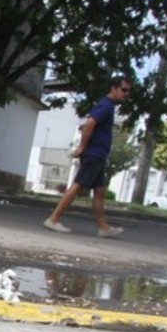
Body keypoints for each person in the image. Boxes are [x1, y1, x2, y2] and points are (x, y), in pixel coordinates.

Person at [43, 74, 131, 237]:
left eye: (127, 91)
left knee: (99, 192)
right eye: (124, 90)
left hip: (99, 154)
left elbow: (90, 124)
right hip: (94, 154)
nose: (126, 94)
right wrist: (82, 147)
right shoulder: (105, 105)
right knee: (77, 186)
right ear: (113, 88)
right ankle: (53, 219)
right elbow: (89, 124)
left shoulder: (108, 106)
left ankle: (103, 228)